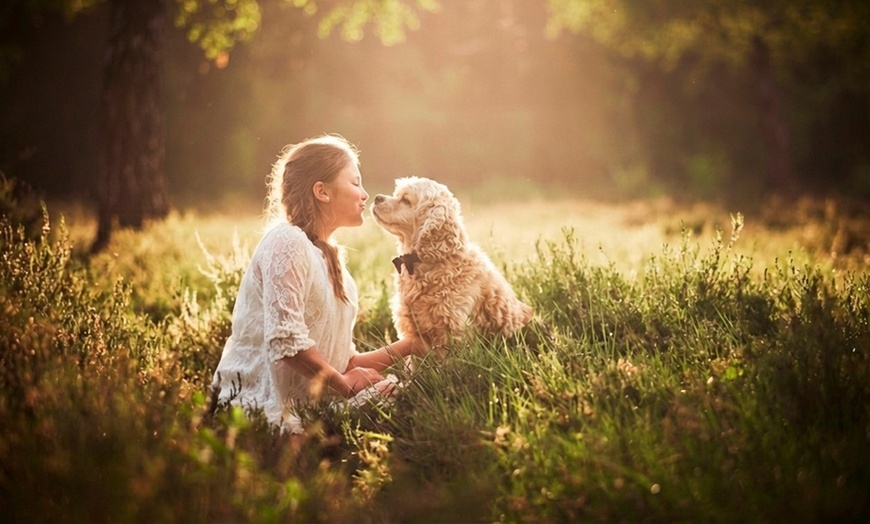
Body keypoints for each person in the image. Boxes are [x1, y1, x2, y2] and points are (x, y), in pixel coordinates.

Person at [210, 134, 425, 434]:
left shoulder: (338, 269)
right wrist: (346, 386)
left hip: (311, 405)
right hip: (261, 406)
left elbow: (343, 362)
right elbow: (287, 343)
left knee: (402, 397)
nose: (364, 194)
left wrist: (412, 345)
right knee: (393, 410)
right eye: (355, 183)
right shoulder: (286, 240)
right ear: (322, 191)